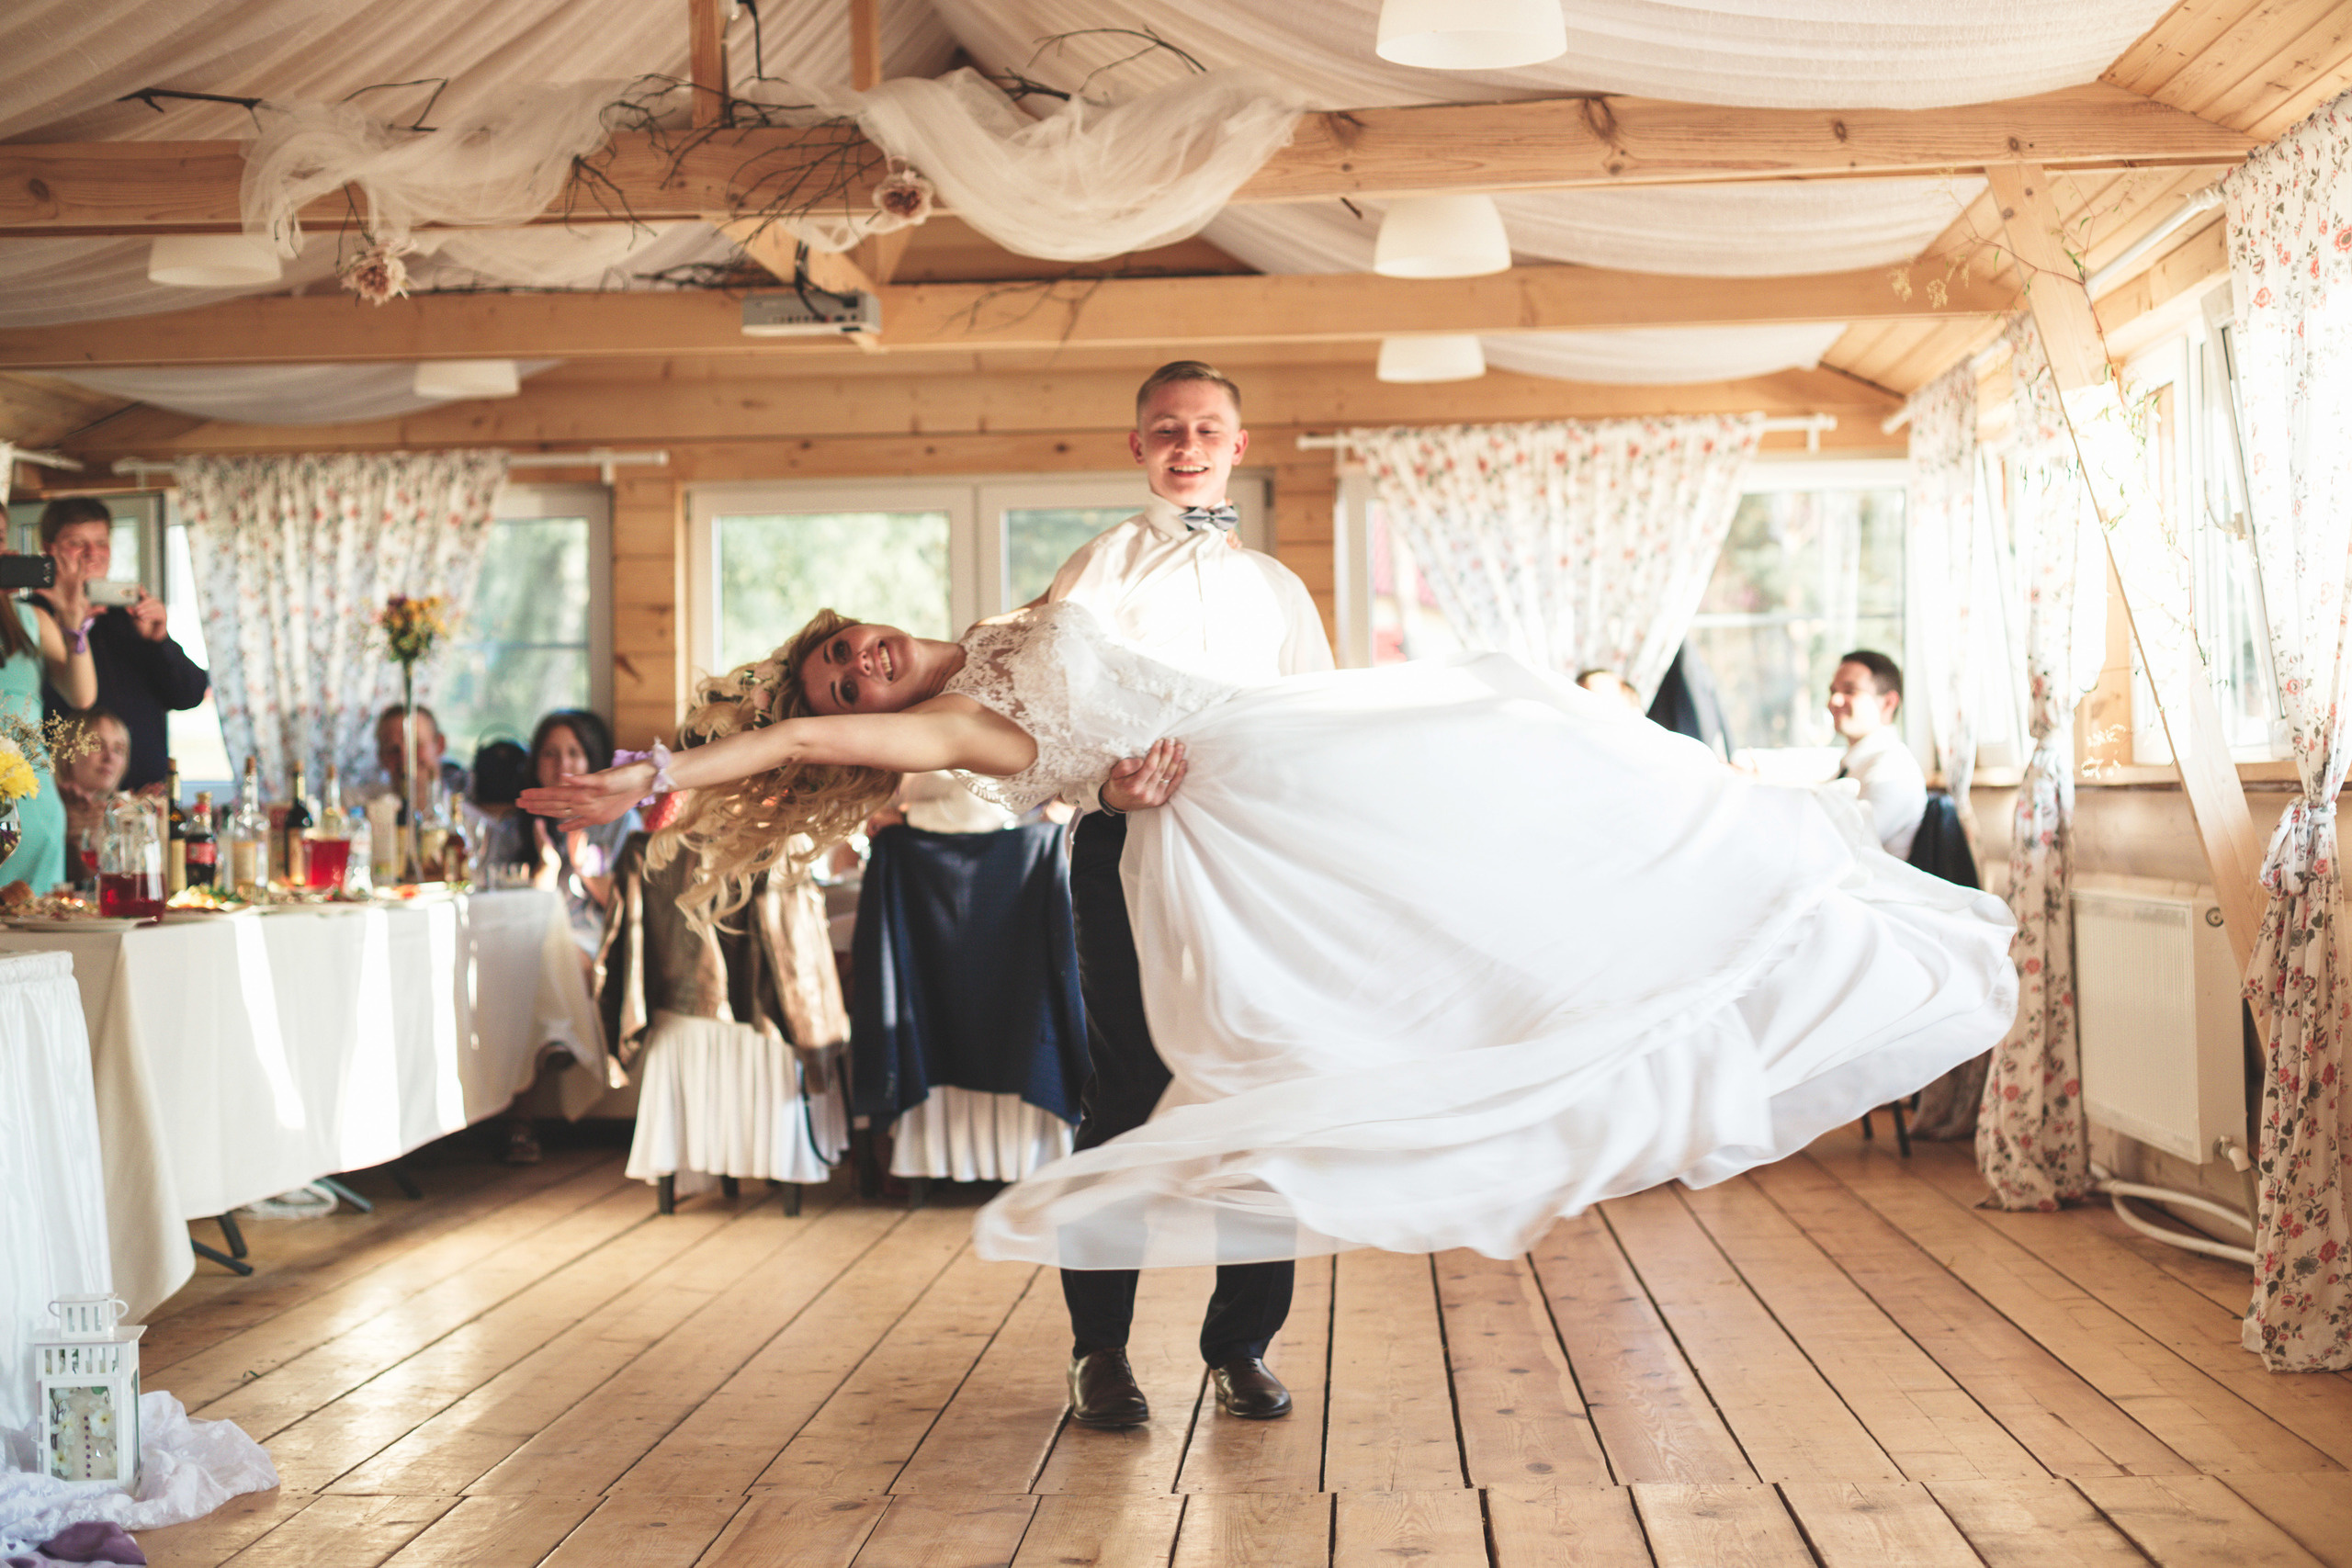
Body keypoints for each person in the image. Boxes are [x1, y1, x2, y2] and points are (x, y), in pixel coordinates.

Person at [526, 632, 2015, 1447]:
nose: (858, 670)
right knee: (1148, 1092)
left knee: (1353, 1018)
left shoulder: (995, 628)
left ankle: (1241, 1345)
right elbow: (797, 746)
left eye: (844, 652)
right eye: (849, 688)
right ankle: (1103, 1357)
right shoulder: (953, 730)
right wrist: (661, 772)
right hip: (1172, 847)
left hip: (1284, 771)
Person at [1031, 362, 1329, 1427]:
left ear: (1238, 445)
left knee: (1263, 1094)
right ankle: (1098, 1350)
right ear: (1138, 445)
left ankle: (1240, 1344)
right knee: (1123, 1098)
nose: (1187, 445)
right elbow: (1034, 724)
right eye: (1167, 429)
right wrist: (1096, 784)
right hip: (1125, 851)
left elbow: (1317, 738)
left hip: (1253, 870)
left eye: (1207, 429)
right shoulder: (1098, 569)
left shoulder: (1279, 593)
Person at [28, 499, 209, 793]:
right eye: (77, 543)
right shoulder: (31, 620)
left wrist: (160, 640)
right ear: (49, 549)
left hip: (143, 800)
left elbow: (190, 695)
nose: (92, 554)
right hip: (66, 802)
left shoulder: (131, 616)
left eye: (101, 542)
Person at [0, 587, 96, 891]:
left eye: (2, 538)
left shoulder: (32, 618)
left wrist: (73, 622)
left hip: (30, 798)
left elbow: (81, 695)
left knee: (35, 922)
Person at [525, 709, 640, 958]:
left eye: (574, 753)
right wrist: (548, 867)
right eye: (550, 754)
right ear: (536, 764)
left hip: (597, 943)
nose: (562, 765)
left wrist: (585, 870)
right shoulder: (522, 824)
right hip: (533, 937)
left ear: (592, 760)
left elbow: (634, 907)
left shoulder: (620, 821)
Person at [1827, 650, 1927, 860]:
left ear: (1888, 703)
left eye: (1849, 690)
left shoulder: (1893, 769)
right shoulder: (1856, 763)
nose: (1834, 701)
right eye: (1833, 691)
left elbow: (1845, 844)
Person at [54, 707, 130, 879]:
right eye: (96, 745)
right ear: (67, 752)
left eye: (118, 749)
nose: (109, 757)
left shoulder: (123, 814)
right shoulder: (42, 805)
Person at [374, 704, 471, 811]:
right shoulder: (363, 814)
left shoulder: (472, 824)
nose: (405, 758)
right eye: (393, 749)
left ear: (440, 745)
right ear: (381, 756)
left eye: (415, 744)